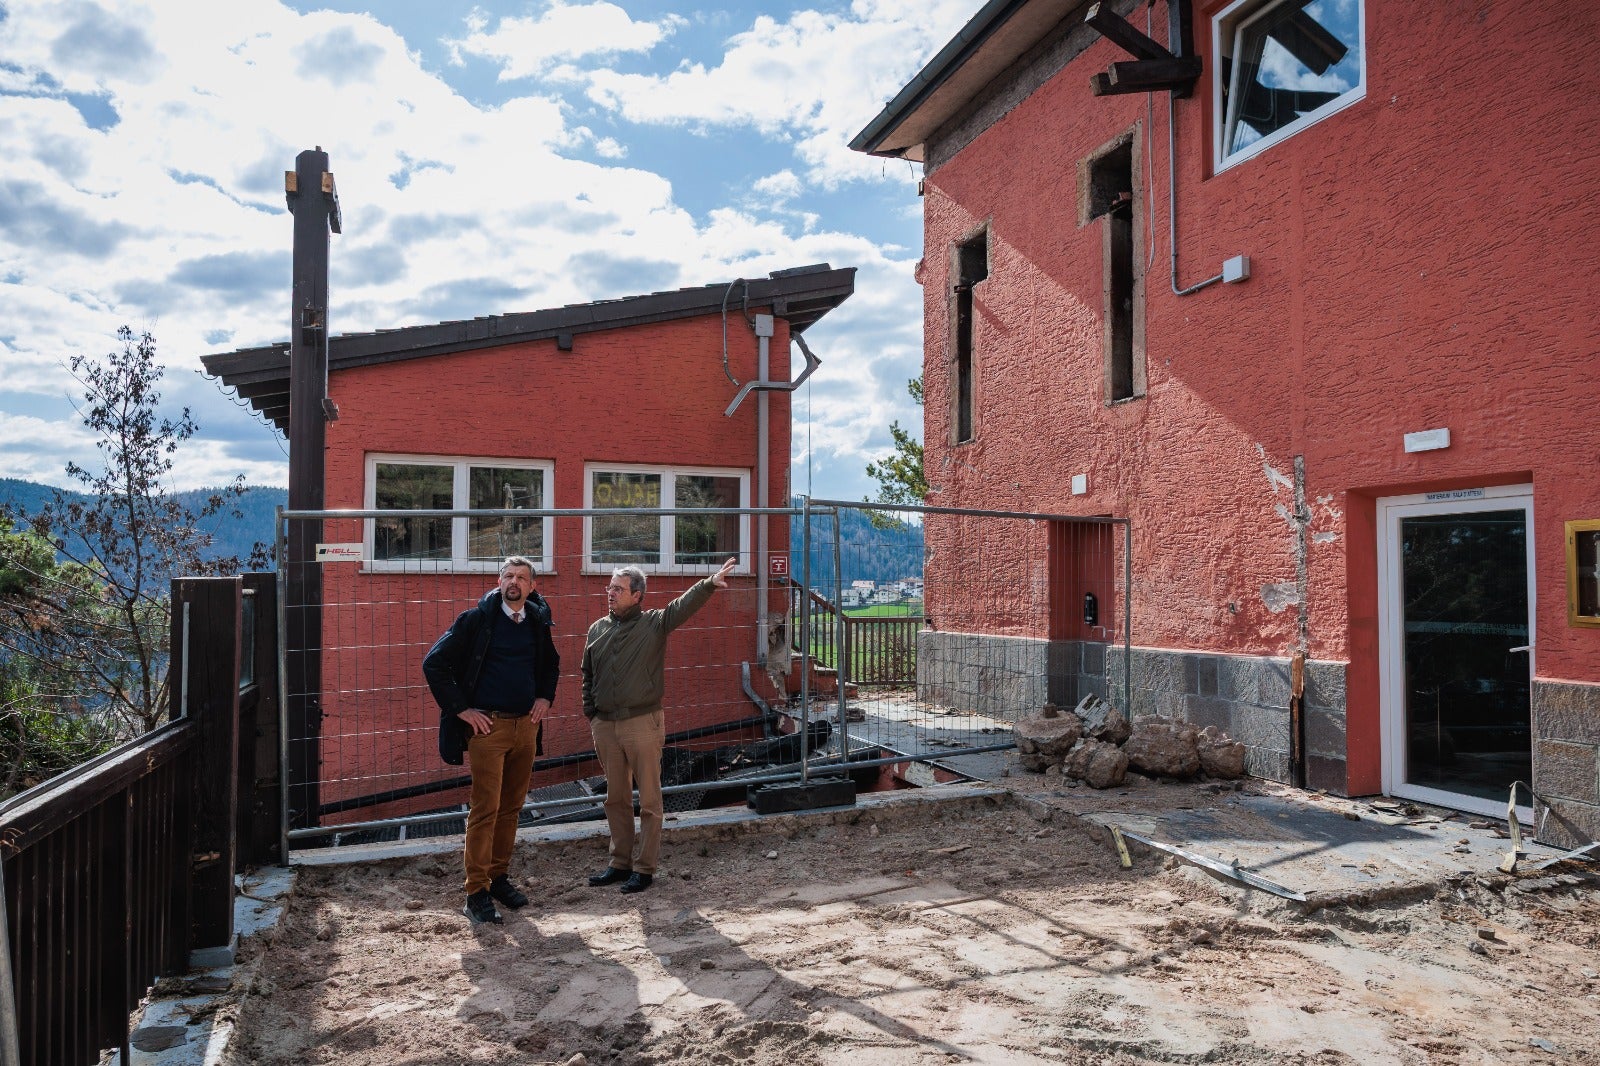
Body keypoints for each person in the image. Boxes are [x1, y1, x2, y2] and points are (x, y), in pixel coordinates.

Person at [582, 556, 738, 894]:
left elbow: (682, 606)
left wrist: (709, 583)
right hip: (606, 726)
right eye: (610, 587)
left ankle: (645, 868)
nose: (610, 593)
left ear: (637, 595)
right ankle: (619, 863)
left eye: (618, 589)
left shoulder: (654, 623)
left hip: (642, 722)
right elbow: (587, 674)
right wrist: (591, 713)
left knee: (649, 799)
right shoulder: (597, 629)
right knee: (616, 798)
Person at [423, 556, 559, 924]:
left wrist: (546, 697)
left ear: (532, 586)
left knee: (513, 807)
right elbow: (433, 663)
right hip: (488, 730)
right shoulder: (476, 620)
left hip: (526, 727)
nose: (513, 581)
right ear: (499, 580)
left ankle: (498, 878)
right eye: (507, 575)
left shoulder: (537, 621)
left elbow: (551, 665)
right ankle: (476, 891)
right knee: (485, 809)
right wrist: (462, 710)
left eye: (521, 577)